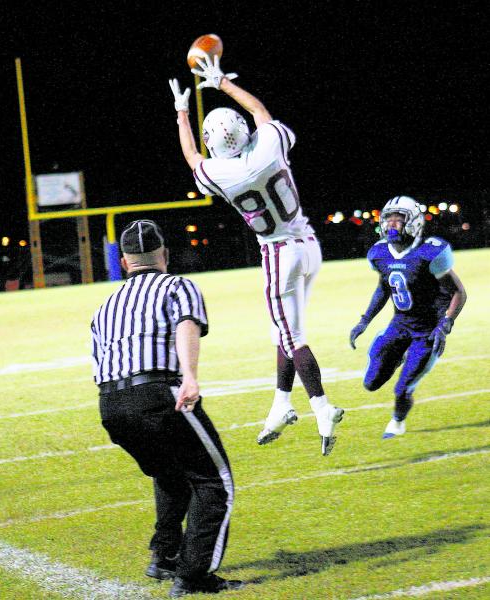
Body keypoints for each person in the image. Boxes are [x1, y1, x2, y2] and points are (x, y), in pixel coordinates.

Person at [168, 55, 344, 457]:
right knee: (280, 332)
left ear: (216, 143)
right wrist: (222, 84)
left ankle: (321, 406)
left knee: (291, 335)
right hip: (309, 244)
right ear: (244, 132)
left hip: (279, 255)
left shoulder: (219, 174)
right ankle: (282, 405)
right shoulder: (268, 143)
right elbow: (261, 111)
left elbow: (192, 157)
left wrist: (181, 113)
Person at [90, 219, 244, 598]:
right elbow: (186, 323)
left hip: (110, 403)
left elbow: (98, 361)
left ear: (124, 262)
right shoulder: (177, 285)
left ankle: (164, 555)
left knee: (170, 474)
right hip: (159, 394)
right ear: (165, 255)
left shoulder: (105, 305)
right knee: (214, 482)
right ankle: (193, 577)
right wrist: (189, 375)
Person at [349, 196, 467, 438]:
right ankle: (400, 355)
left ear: (412, 222)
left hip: (428, 331)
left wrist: (445, 325)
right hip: (399, 325)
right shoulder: (380, 253)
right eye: (388, 219)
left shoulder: (429, 251)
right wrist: (364, 320)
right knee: (370, 383)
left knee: (402, 388)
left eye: (398, 219)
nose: (391, 224)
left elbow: (458, 292)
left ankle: (397, 421)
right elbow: (385, 287)